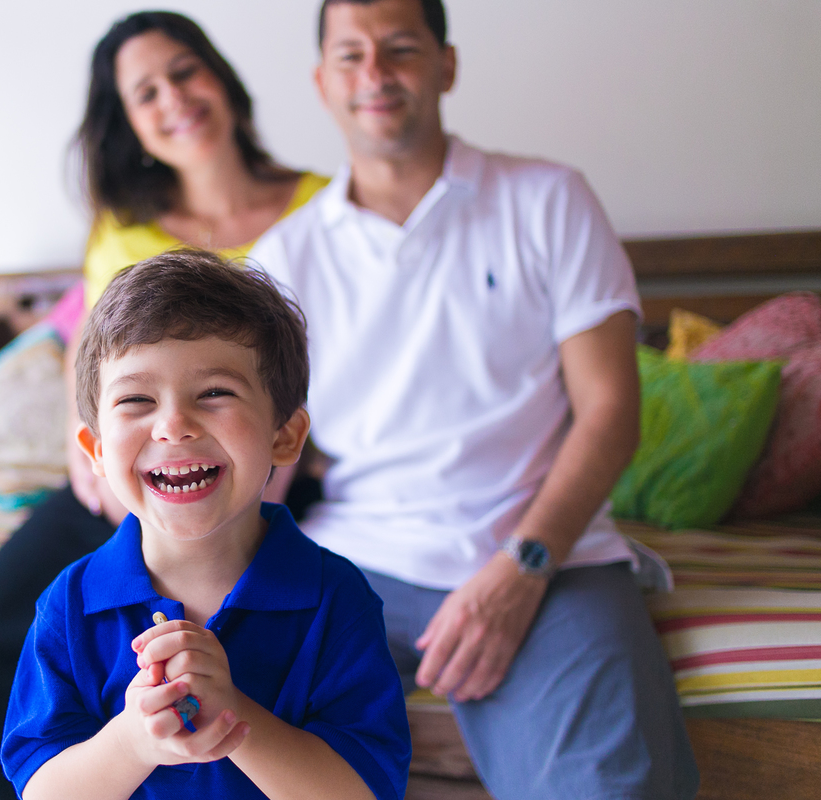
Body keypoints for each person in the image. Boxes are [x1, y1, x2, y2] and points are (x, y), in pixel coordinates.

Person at [248, 1, 700, 798]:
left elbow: (609, 412)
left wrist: (522, 567)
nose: (376, 75)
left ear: (447, 65)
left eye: (400, 49)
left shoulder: (549, 200)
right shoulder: (287, 255)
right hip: (354, 560)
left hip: (543, 551)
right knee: (213, 751)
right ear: (322, 83)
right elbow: (262, 446)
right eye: (350, 56)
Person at [0, 12, 327, 799]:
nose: (174, 97)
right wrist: (105, 471)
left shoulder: (321, 208)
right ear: (129, 124)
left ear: (223, 80)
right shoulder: (123, 229)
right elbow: (91, 364)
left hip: (261, 476)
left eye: (185, 71)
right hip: (118, 493)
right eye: (145, 92)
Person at [1, 250, 410, 800]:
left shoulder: (336, 599)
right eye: (137, 399)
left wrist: (236, 717)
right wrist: (132, 743)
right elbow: (43, 790)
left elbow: (363, 790)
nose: (173, 425)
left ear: (285, 435)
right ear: (95, 451)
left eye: (215, 392)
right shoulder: (71, 605)